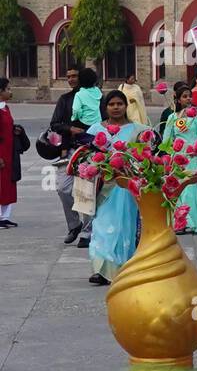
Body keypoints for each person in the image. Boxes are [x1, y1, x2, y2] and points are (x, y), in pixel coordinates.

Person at [84, 91, 145, 284]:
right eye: (112, 104)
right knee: (102, 224)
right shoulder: (95, 130)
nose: (116, 107)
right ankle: (101, 269)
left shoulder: (138, 130)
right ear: (105, 107)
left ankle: (123, 267)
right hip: (103, 186)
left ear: (126, 106)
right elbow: (86, 157)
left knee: (124, 225)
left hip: (126, 185)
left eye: (120, 103)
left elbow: (144, 156)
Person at [161, 91, 197, 235]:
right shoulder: (172, 117)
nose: (188, 98)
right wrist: (169, 157)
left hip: (195, 157)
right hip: (179, 157)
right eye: (184, 96)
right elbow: (166, 140)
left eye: (189, 96)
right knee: (182, 190)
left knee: (192, 189)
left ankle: (194, 222)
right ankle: (182, 221)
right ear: (177, 99)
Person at [50, 68, 88, 245]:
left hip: (90, 150)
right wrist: (70, 129)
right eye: (68, 77)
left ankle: (88, 233)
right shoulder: (65, 100)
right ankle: (74, 224)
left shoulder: (94, 98)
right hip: (69, 150)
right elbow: (55, 124)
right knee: (63, 189)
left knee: (87, 192)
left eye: (75, 76)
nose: (71, 79)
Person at [0, 78, 16, 227]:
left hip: (9, 150)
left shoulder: (6, 108)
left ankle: (4, 216)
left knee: (8, 184)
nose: (10, 91)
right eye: (8, 89)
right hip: (1, 152)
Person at [71, 68, 103, 134]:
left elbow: (76, 110)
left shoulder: (79, 94)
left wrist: (73, 118)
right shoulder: (98, 91)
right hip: (98, 122)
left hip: (84, 124)